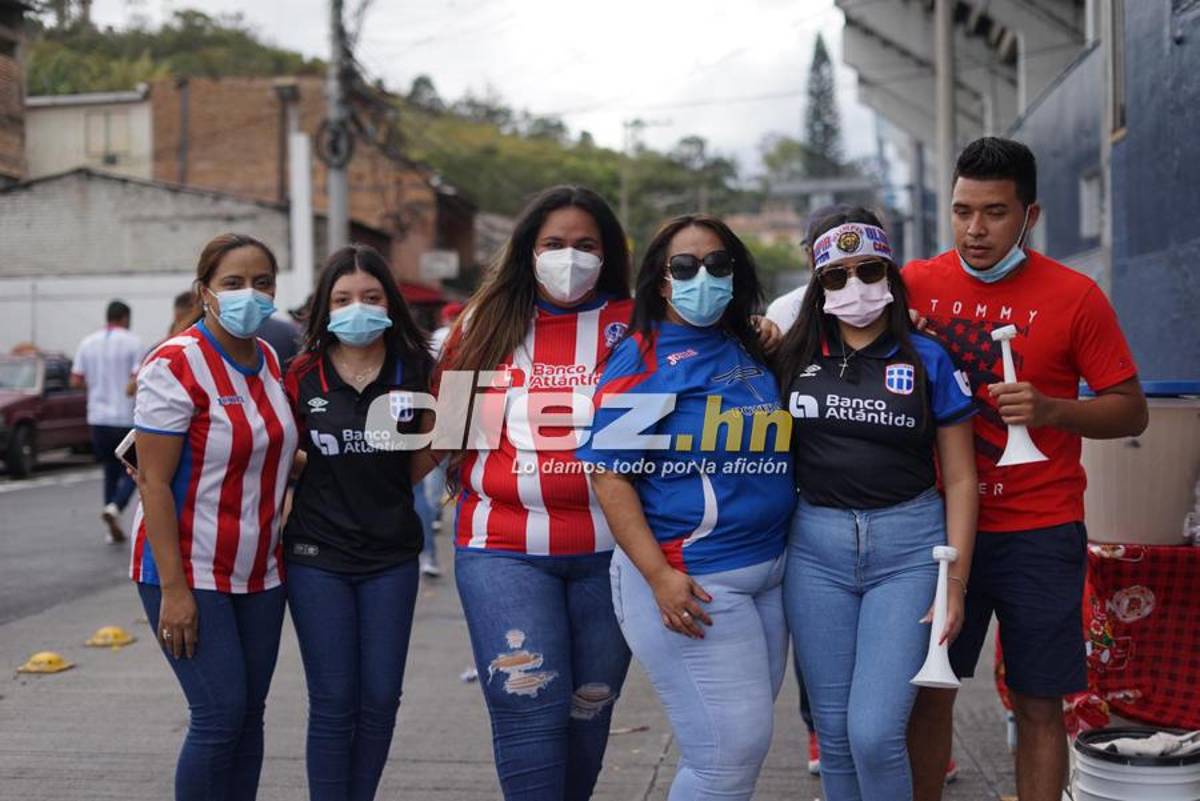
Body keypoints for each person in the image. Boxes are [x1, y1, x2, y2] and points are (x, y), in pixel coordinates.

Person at [903, 137, 1148, 801]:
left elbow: (1131, 412)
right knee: (927, 693)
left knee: (1040, 703)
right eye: (961, 211)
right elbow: (829, 322)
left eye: (995, 212)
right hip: (941, 525)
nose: (975, 230)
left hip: (1041, 528)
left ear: (1030, 214)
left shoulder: (1075, 296)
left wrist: (1052, 409)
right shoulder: (914, 283)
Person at [579, 214, 795, 801]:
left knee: (736, 750)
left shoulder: (743, 345)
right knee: (727, 755)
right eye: (685, 266)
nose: (704, 276)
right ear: (660, 281)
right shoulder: (644, 361)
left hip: (767, 576)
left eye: (718, 264)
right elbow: (610, 478)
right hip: (691, 580)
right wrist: (658, 576)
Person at [436, 185, 637, 800]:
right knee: (527, 706)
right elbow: (447, 433)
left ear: (608, 255)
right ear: (527, 250)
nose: (569, 257)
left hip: (615, 553)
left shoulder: (638, 327)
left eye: (585, 245)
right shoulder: (481, 324)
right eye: (554, 244)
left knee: (589, 706)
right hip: (502, 547)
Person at [777, 208, 978, 801]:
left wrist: (956, 581)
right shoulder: (790, 356)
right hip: (814, 551)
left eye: (867, 269)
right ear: (818, 286)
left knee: (873, 732)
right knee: (834, 737)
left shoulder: (927, 358)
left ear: (889, 271)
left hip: (909, 550)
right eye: (835, 277)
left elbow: (962, 479)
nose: (853, 286)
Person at [131, 233, 299, 801]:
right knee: (219, 713)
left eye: (262, 283)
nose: (248, 295)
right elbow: (152, 482)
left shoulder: (271, 359)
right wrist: (173, 591)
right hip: (189, 571)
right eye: (233, 283)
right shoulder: (175, 363)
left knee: (249, 715)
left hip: (260, 570)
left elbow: (274, 451)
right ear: (205, 291)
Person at [283, 244, 435, 801]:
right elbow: (279, 454)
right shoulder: (299, 375)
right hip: (315, 557)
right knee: (333, 699)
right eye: (343, 299)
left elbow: (428, 455)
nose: (358, 308)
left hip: (392, 557)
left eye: (371, 297)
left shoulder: (418, 371)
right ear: (324, 307)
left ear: (390, 302)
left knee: (379, 699)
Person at [71, 300, 144, 543]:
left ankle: (110, 524)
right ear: (125, 317)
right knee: (137, 468)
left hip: (98, 417)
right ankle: (116, 507)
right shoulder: (134, 342)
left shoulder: (87, 343)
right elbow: (137, 380)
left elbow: (76, 381)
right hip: (125, 417)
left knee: (109, 469)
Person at [413, 300, 463, 578]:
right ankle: (429, 553)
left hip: (438, 411)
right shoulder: (467, 331)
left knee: (427, 486)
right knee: (442, 473)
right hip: (455, 408)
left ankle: (433, 521)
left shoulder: (441, 337)